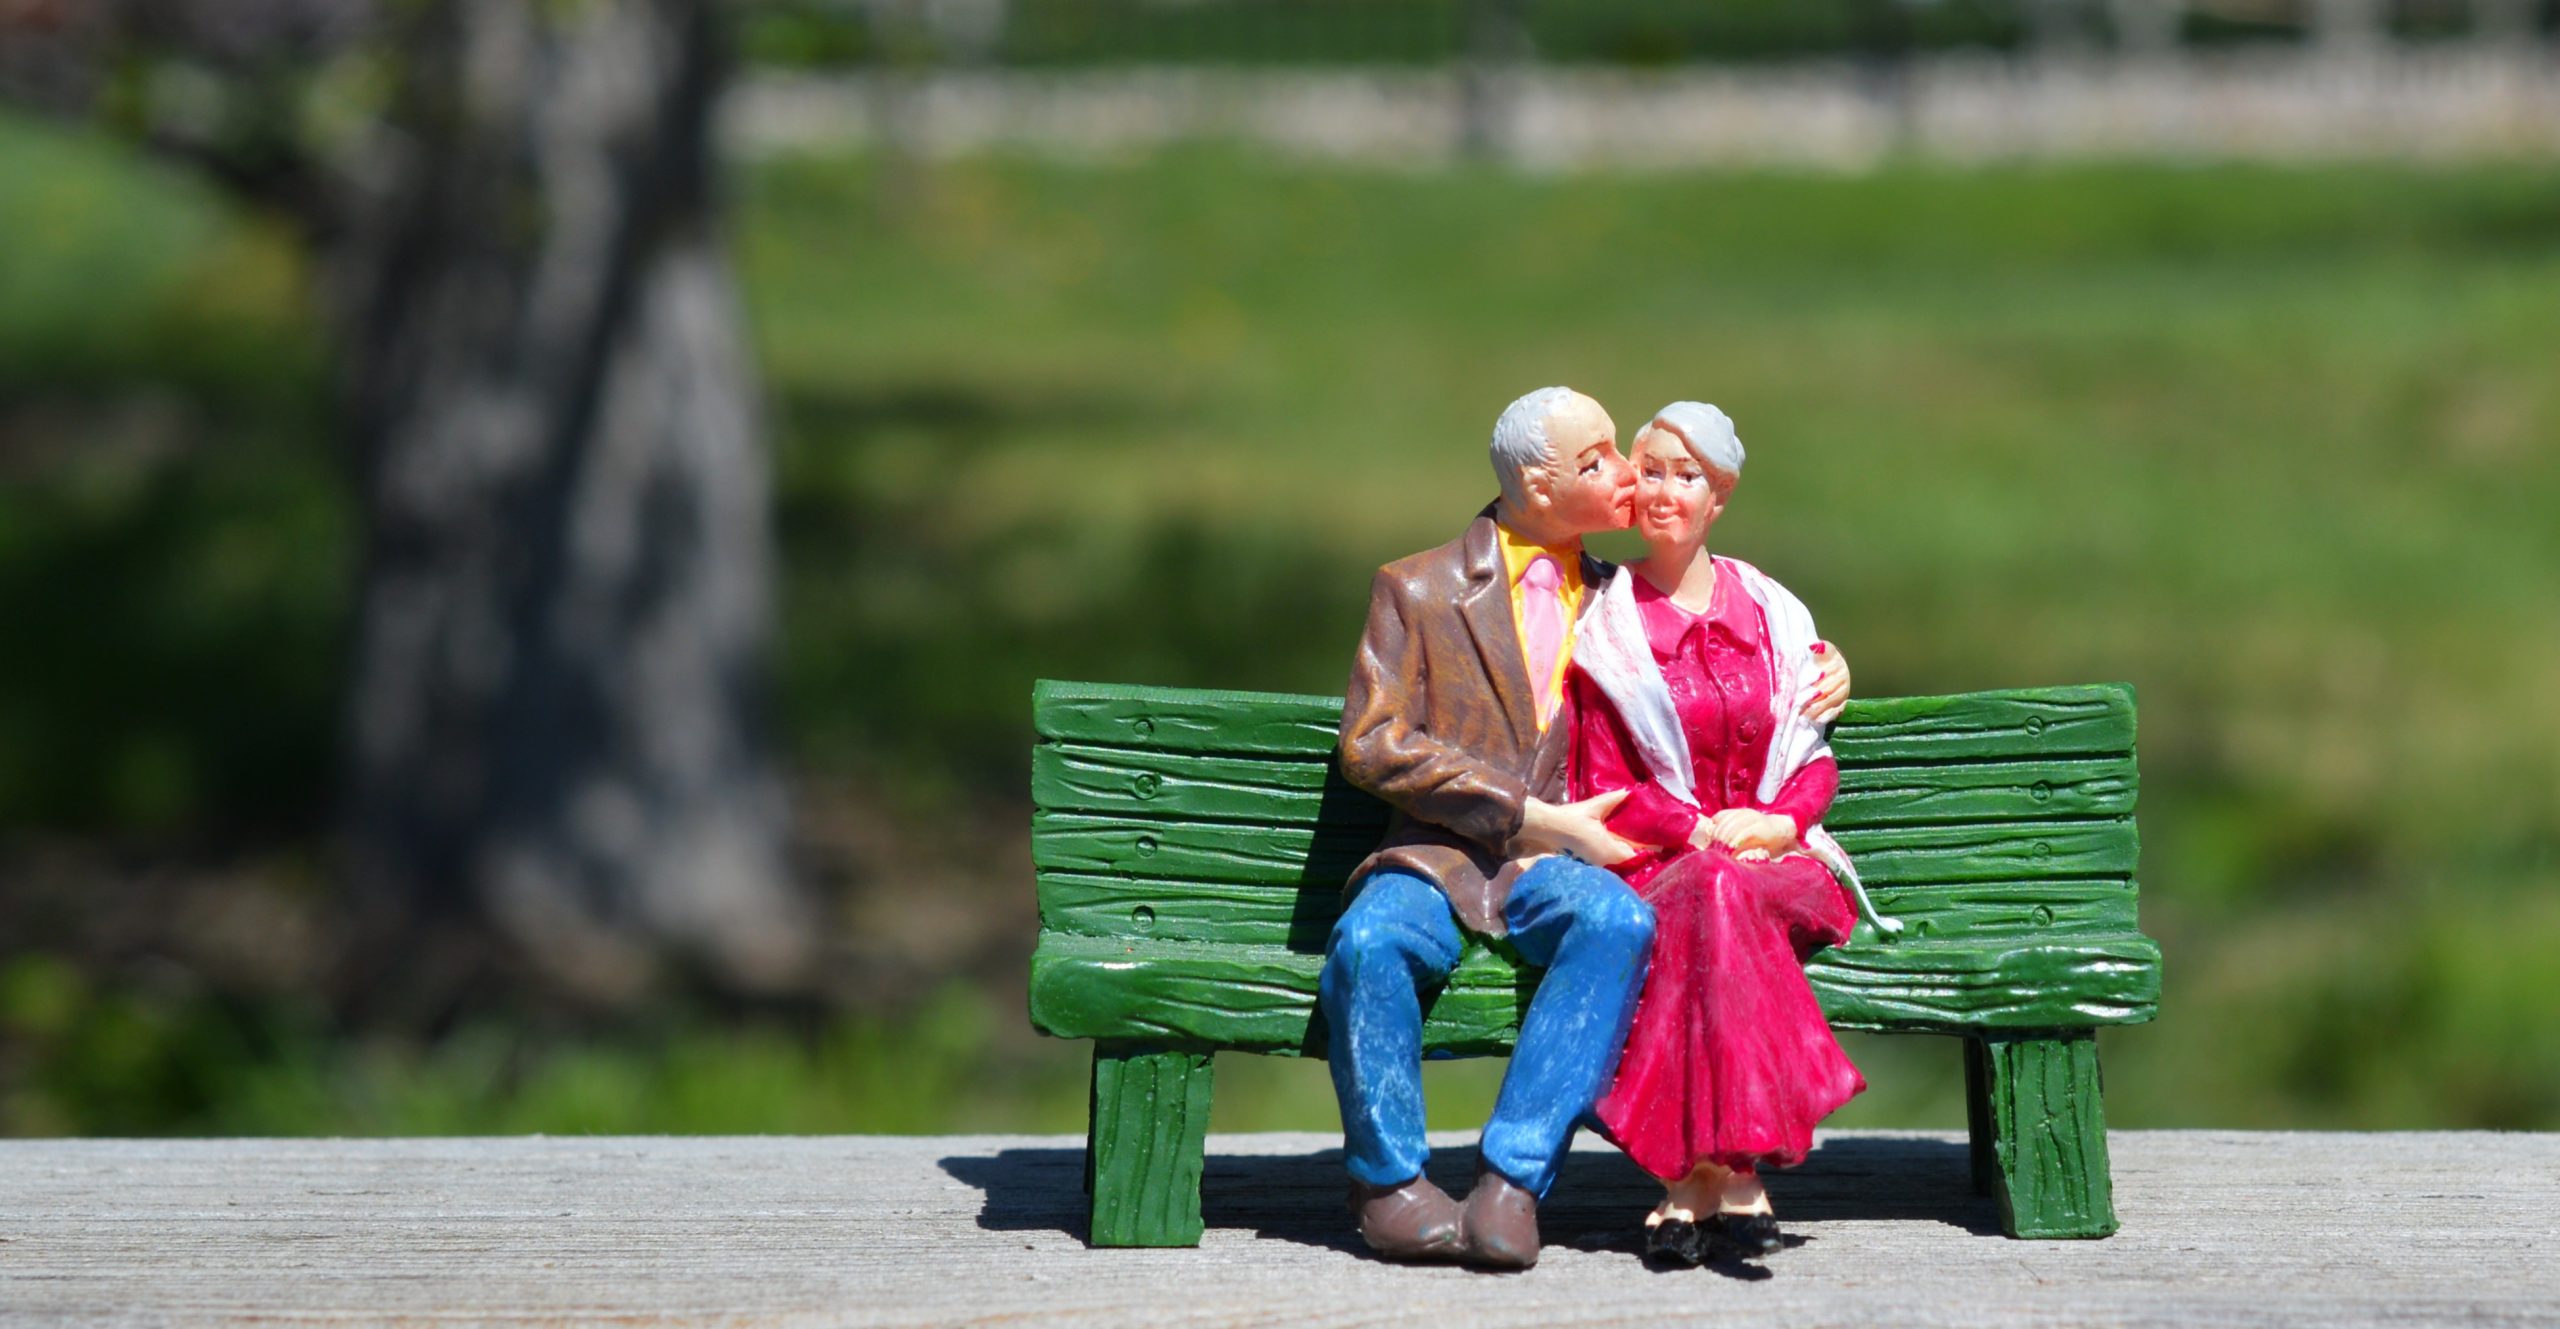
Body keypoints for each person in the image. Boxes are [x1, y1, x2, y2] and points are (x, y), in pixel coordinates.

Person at [1325, 387, 1850, 1270]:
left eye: (1627, 457)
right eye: (1600, 461)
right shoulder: (1417, 588)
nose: (1630, 480)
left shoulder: (1620, 601)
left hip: (1559, 867)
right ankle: (1391, 1185)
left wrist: (1829, 666)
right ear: (1537, 484)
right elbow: (1372, 743)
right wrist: (1527, 814)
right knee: (1371, 941)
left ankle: (1514, 1181)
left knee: (1616, 924)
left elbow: (1729, 643)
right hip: (1440, 850)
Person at [1566, 400, 1879, 1267]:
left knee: (1725, 891)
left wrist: (1779, 823)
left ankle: (1682, 1183)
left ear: (1720, 497)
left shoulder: (1776, 614)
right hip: (1664, 864)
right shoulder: (1606, 627)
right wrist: (1698, 826)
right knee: (1709, 889)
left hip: (1782, 866)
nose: (1665, 489)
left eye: (1686, 475)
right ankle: (1731, 1173)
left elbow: (1812, 757)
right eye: (1651, 470)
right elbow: (1603, 783)